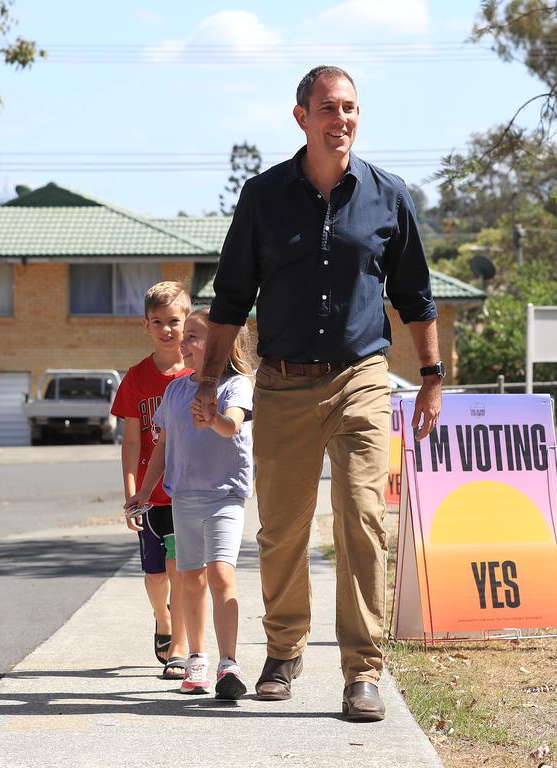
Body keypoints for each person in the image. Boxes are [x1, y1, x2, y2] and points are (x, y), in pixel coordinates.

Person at [195, 65, 443, 721]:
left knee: (362, 522)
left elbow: (416, 296)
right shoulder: (263, 196)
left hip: (360, 376)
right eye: (329, 107)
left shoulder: (389, 196)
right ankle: (283, 652)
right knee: (281, 530)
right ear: (301, 116)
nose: (343, 119)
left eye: (352, 108)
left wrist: (432, 377)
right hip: (279, 381)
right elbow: (230, 298)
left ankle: (363, 671)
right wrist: (207, 379)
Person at [127, 307, 254, 700]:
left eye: (194, 337)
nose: (185, 343)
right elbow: (163, 444)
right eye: (187, 336)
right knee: (191, 578)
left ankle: (228, 662)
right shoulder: (176, 390)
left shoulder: (236, 385)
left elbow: (232, 423)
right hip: (184, 497)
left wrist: (213, 418)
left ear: (220, 346)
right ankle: (197, 658)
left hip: (225, 496)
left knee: (220, 574)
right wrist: (144, 492)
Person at [110, 281, 193, 679]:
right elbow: (130, 440)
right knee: (156, 574)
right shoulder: (137, 377)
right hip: (150, 494)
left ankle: (178, 644)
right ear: (145, 324)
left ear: (187, 321)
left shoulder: (198, 376)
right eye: (158, 322)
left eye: (174, 321)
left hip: (187, 493)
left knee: (180, 568)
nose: (167, 330)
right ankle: (162, 618)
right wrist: (131, 494)